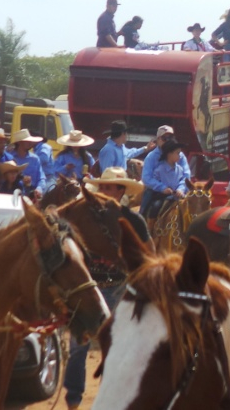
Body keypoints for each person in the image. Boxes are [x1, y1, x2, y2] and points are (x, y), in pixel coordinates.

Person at [67, 167, 151, 410]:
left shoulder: (134, 220)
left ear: (120, 191)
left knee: (114, 350)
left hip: (119, 288)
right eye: (101, 187)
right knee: (77, 348)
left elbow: (149, 253)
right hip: (87, 287)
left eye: (109, 188)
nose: (103, 191)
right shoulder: (85, 217)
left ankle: (107, 400)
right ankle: (73, 400)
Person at [140, 125, 191, 216]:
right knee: (146, 212)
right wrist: (162, 188)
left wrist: (181, 188)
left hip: (178, 193)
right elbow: (146, 178)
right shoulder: (151, 157)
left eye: (171, 137)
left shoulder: (180, 156)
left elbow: (186, 175)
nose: (168, 140)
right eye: (165, 138)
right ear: (158, 139)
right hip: (156, 193)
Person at [9, 129, 46, 200]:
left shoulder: (35, 159)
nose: (30, 143)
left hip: (32, 196)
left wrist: (39, 189)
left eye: (30, 141)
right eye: (27, 141)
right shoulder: (10, 158)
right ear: (19, 142)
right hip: (13, 195)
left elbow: (41, 178)